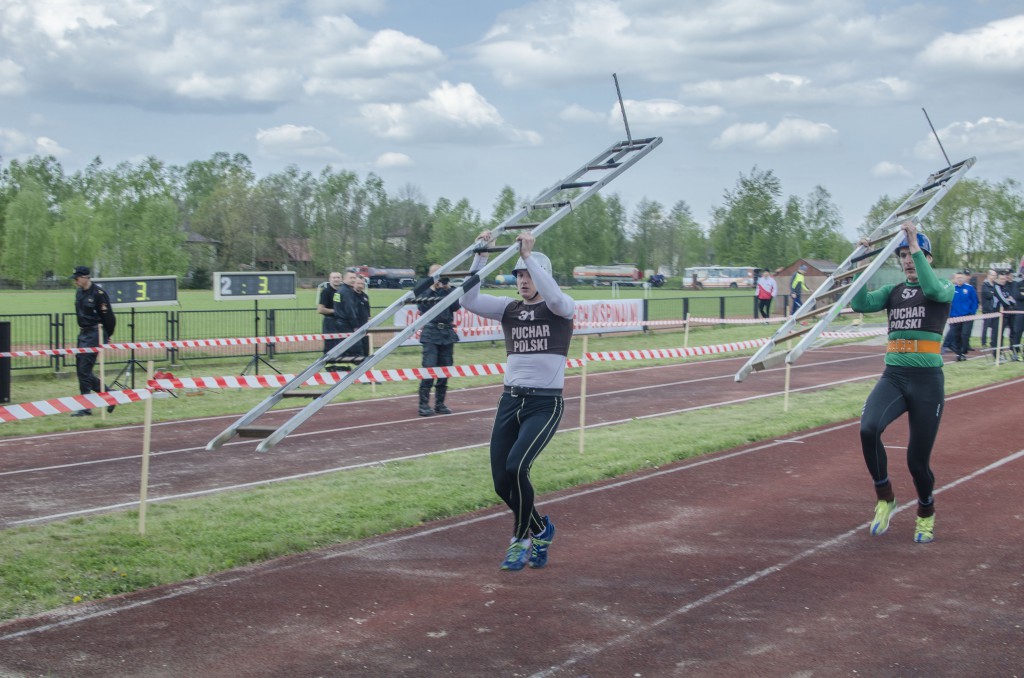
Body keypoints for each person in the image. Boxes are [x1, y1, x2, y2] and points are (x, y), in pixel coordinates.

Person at [461, 230, 574, 571]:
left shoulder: (562, 308)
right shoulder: (508, 308)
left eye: (527, 275)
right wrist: (479, 256)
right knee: (500, 482)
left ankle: (520, 539)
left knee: (517, 466)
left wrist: (529, 257)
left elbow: (553, 297)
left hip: (544, 404)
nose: (522, 281)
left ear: (542, 276)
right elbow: (467, 300)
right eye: (518, 276)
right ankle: (542, 529)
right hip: (511, 401)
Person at [850, 222, 953, 544]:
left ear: (927, 257)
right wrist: (862, 262)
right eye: (903, 255)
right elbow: (860, 303)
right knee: (868, 428)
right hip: (894, 377)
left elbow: (934, 291)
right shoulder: (894, 293)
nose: (907, 260)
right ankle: (885, 498)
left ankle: (926, 511)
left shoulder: (943, 288)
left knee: (916, 461)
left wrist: (914, 240)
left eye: (912, 254)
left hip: (927, 383)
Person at [70, 266, 117, 417]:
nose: (76, 281)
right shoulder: (79, 293)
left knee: (84, 370)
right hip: (83, 333)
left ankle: (86, 407)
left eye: (77, 278)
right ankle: (110, 395)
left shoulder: (99, 293)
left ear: (85, 277)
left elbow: (109, 317)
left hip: (95, 333)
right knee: (81, 371)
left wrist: (107, 335)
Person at [414, 264, 460, 416]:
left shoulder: (448, 288)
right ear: (430, 275)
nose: (439, 277)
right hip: (431, 332)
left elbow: (456, 306)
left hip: (447, 332)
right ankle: (424, 404)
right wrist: (433, 288)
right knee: (429, 367)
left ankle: (440, 403)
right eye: (436, 274)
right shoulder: (423, 287)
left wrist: (446, 288)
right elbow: (422, 306)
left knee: (445, 369)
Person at [332, 269, 370, 362]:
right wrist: (355, 325)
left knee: (342, 347)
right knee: (357, 349)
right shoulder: (348, 292)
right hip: (347, 324)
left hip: (339, 322)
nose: (353, 280)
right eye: (351, 278)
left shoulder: (339, 291)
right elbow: (350, 310)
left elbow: (336, 306)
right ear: (344, 278)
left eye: (354, 278)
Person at [942, 271, 978, 361]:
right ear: (955, 279)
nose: (959, 279)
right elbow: (946, 302)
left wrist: (972, 312)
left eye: (961, 278)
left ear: (964, 278)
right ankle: (959, 354)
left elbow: (975, 301)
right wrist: (949, 314)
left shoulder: (970, 288)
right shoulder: (952, 289)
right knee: (956, 336)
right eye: (957, 278)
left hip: (967, 316)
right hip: (955, 317)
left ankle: (963, 350)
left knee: (965, 335)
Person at [317, 271, 344, 363]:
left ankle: (341, 364)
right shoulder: (326, 292)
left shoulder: (343, 291)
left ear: (341, 279)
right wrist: (336, 311)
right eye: (334, 277)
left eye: (338, 277)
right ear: (330, 279)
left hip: (342, 322)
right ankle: (329, 364)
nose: (336, 279)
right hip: (330, 322)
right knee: (330, 344)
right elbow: (320, 309)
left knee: (341, 343)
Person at [992, 272, 1017, 356]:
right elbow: (1004, 301)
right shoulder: (996, 287)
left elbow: (1013, 301)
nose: (1003, 281)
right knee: (998, 334)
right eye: (1001, 279)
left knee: (1005, 334)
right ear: (997, 279)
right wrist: (1009, 300)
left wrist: (1009, 300)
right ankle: (997, 353)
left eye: (1004, 279)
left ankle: (1004, 352)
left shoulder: (1005, 288)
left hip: (1006, 315)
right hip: (998, 314)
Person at [980, 269, 998, 349]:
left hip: (994, 309)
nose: (994, 277)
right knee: (985, 327)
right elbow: (988, 295)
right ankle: (983, 342)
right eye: (993, 275)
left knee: (994, 327)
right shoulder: (985, 285)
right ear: (989, 275)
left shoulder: (995, 285)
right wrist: (993, 293)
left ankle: (992, 342)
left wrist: (993, 293)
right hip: (987, 309)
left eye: (995, 275)